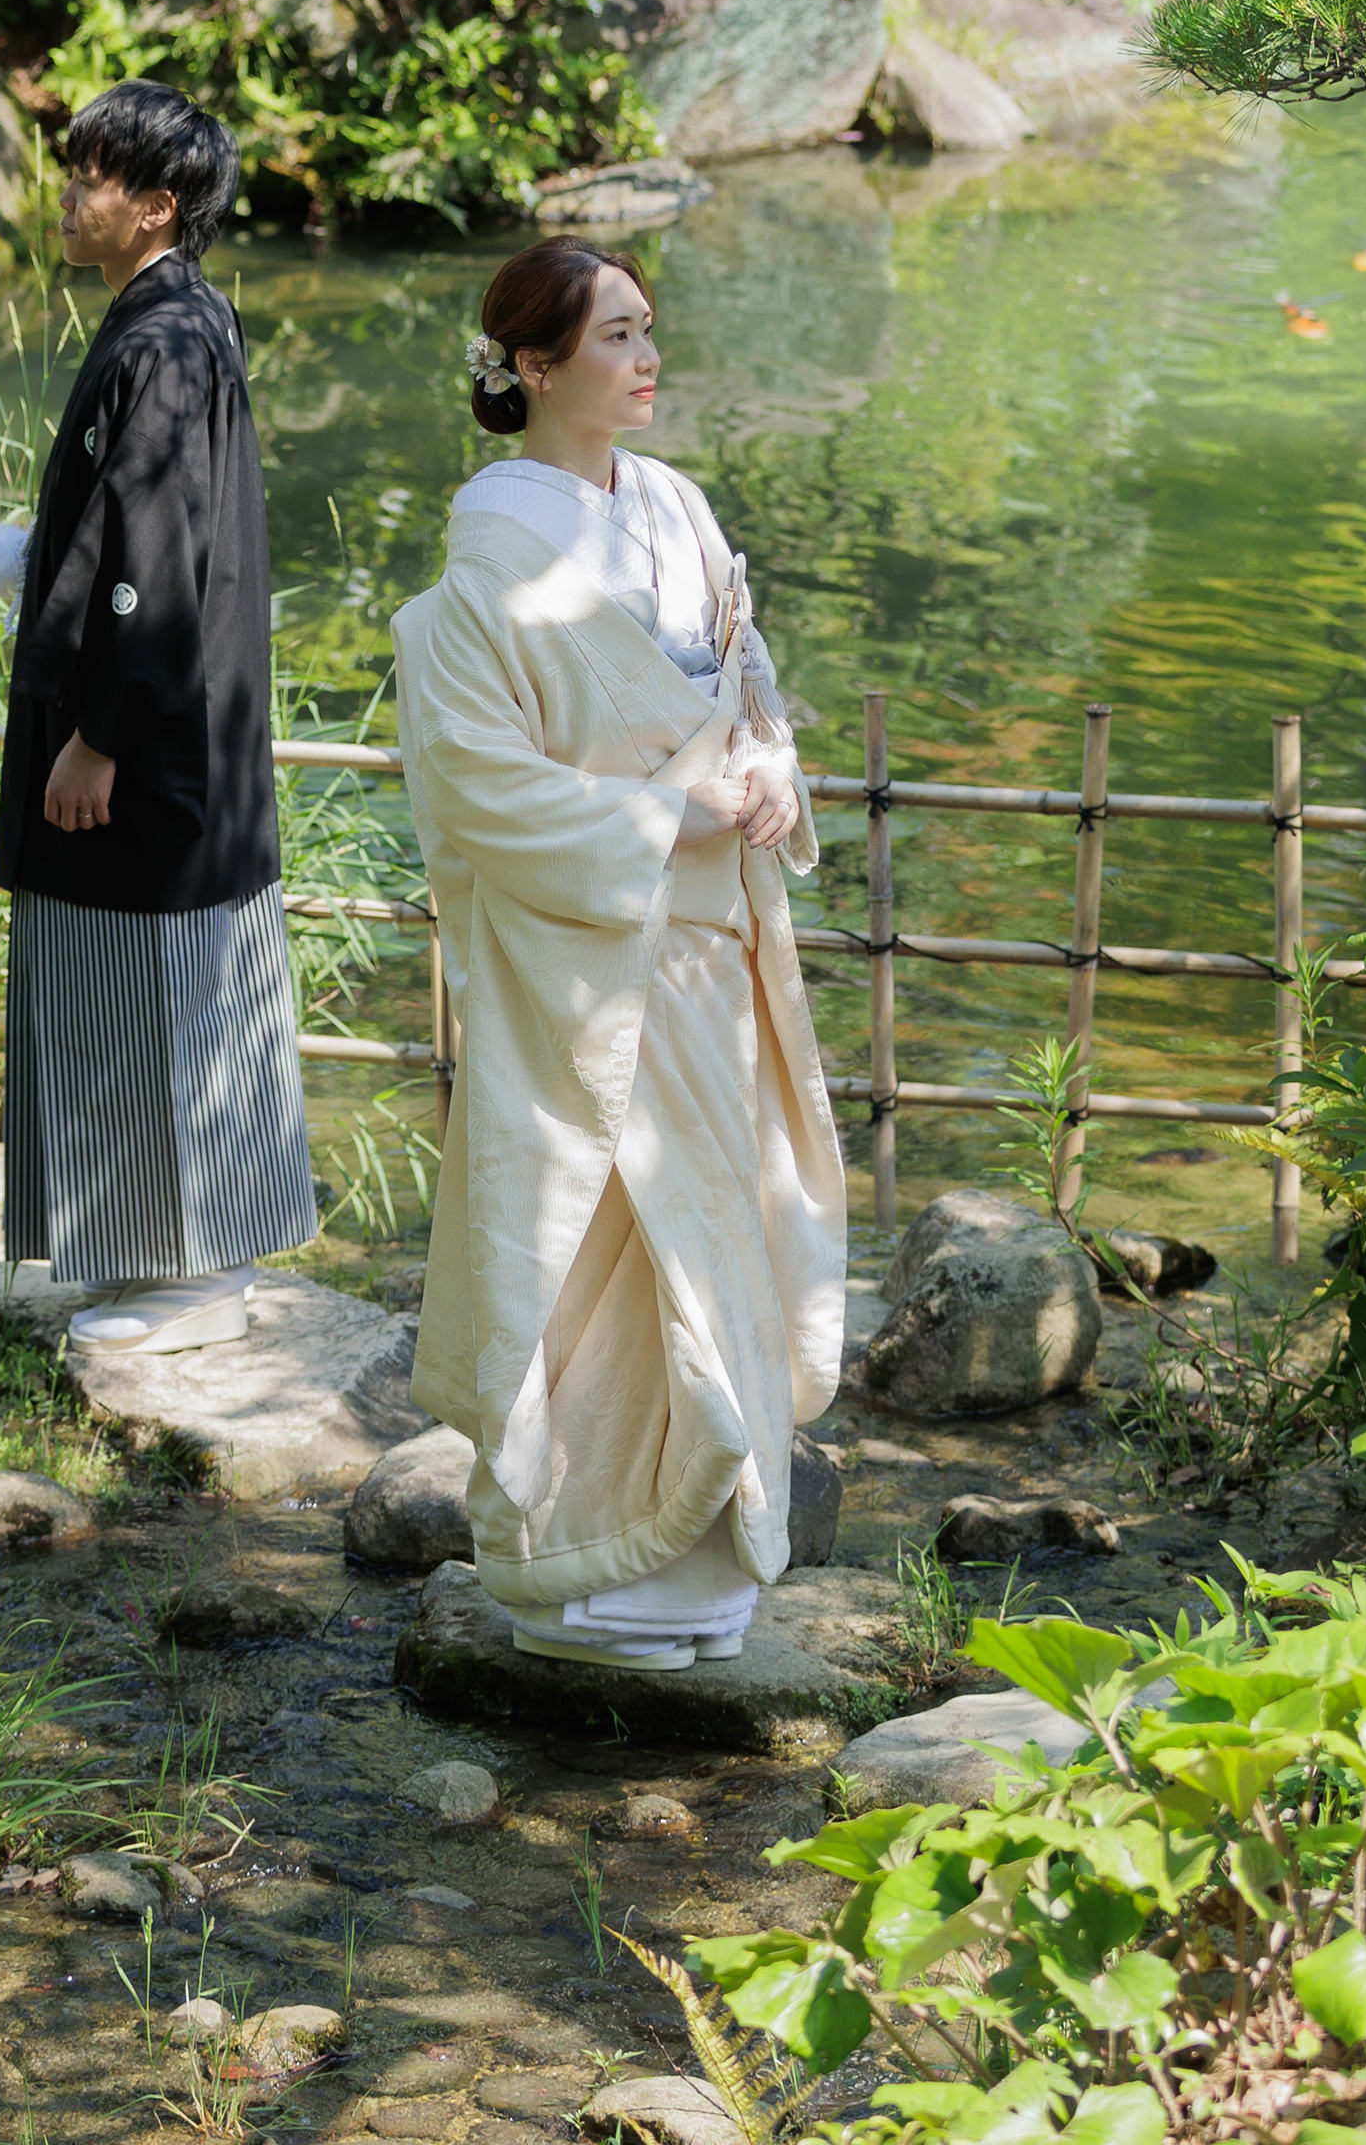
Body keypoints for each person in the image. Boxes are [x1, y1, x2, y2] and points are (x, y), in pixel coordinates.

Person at [390, 237, 845, 1669]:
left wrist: (765, 769)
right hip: (589, 949)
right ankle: (583, 1574)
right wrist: (658, 814)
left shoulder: (675, 506)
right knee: (604, 1228)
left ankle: (699, 1573)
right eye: (614, 337)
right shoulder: (491, 554)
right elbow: (475, 779)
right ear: (532, 365)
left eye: (649, 329)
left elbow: (747, 684)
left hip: (710, 944)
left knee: (719, 1221)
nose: (646, 359)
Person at [0, 79, 317, 1354]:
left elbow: (154, 562)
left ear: (156, 206)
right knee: (143, 983)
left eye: (92, 177)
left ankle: (198, 1275)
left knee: (154, 985)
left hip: (148, 735)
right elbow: (131, 529)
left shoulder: (162, 340)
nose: (69, 195)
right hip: (185, 724)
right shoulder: (186, 317)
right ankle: (162, 1258)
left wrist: (99, 734)